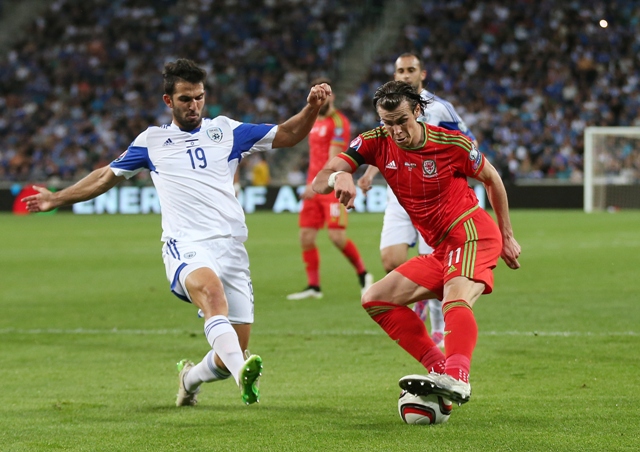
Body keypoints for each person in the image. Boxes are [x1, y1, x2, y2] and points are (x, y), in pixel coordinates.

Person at [23, 58, 332, 407]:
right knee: (213, 297)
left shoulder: (226, 130)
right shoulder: (152, 141)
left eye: (199, 97)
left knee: (234, 342)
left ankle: (190, 378)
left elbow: (288, 134)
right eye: (185, 99)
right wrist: (57, 197)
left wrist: (311, 108)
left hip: (231, 247)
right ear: (168, 101)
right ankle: (242, 372)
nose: (194, 105)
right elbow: (104, 177)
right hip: (185, 244)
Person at [312, 80, 520, 406]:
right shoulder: (374, 142)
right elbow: (319, 179)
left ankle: (458, 378)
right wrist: (341, 176)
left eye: (402, 121)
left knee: (455, 296)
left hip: (472, 234)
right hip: (441, 248)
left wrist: (507, 235)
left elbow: (492, 178)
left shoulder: (452, 144)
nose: (395, 131)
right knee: (376, 299)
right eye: (387, 122)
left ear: (418, 112)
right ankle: (440, 371)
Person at [358, 53, 478, 349]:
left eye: (411, 70)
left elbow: (467, 142)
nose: (406, 75)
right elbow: (384, 144)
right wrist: (369, 173)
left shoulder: (439, 108)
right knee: (390, 259)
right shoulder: (388, 107)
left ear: (422, 74)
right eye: (400, 70)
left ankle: (437, 329)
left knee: (439, 267)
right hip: (400, 195)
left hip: (435, 202)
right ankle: (418, 297)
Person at [286, 77, 373, 300]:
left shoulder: (338, 122)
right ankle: (314, 287)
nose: (322, 98)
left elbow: (334, 159)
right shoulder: (313, 120)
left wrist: (315, 183)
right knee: (306, 236)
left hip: (330, 184)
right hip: (312, 185)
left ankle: (364, 274)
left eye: (326, 94)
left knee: (336, 236)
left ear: (331, 96)